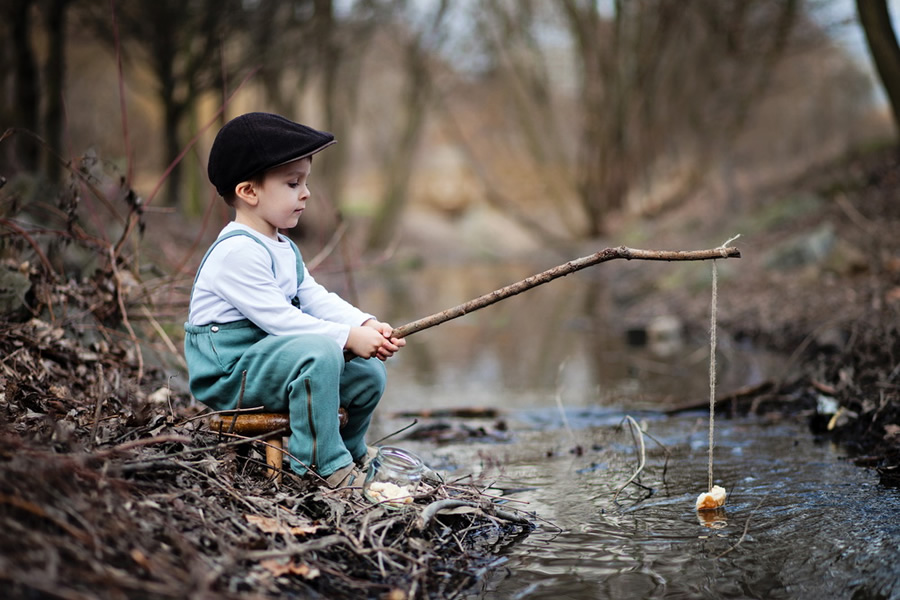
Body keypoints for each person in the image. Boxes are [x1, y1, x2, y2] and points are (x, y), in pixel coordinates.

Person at [184, 112, 405, 488]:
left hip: (268, 360)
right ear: (248, 192)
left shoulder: (282, 246)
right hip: (230, 373)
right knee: (320, 352)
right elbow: (281, 321)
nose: (305, 193)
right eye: (292, 183)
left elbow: (314, 297)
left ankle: (350, 454)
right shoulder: (237, 251)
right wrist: (347, 338)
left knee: (367, 373)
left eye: (305, 182)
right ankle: (322, 464)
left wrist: (364, 323)